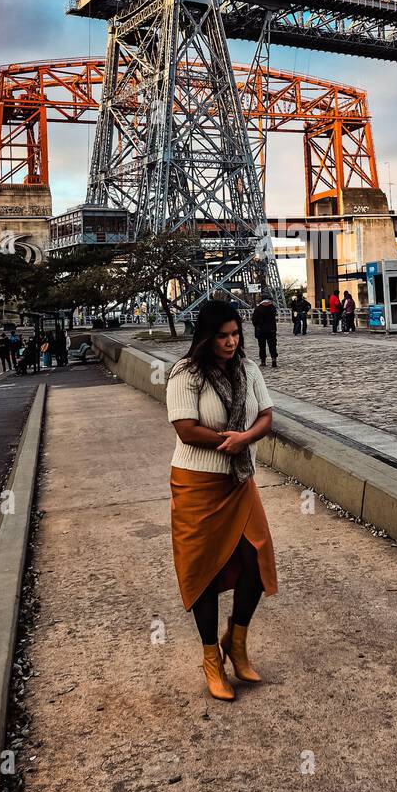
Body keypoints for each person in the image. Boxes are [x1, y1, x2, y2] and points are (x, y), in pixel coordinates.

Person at [166, 301, 278, 701]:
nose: (231, 342)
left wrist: (244, 438)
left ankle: (238, 641)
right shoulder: (186, 373)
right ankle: (211, 659)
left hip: (238, 481)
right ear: (206, 337)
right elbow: (185, 429)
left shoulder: (248, 369)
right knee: (205, 573)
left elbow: (266, 415)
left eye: (235, 334)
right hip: (197, 483)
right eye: (222, 335)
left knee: (256, 560)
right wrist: (225, 442)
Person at [251, 290, 278, 368]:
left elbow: (254, 320)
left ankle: (263, 361)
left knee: (262, 346)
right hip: (271, 330)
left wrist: (257, 326)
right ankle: (274, 359)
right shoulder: (272, 307)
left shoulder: (258, 308)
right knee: (272, 345)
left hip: (261, 330)